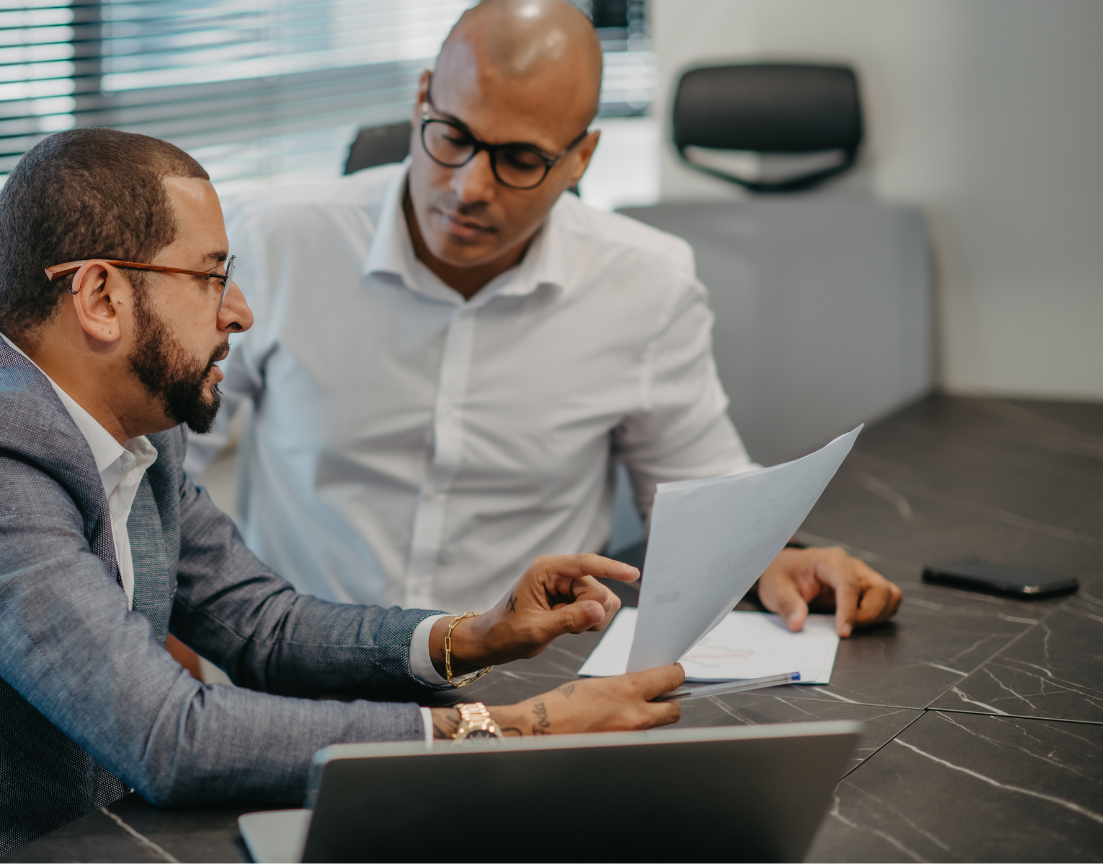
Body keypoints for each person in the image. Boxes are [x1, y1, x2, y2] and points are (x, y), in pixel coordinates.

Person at [0, 128, 686, 863]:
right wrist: (510, 729)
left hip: (74, 834)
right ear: (101, 297)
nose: (240, 311)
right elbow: (169, 736)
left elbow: (260, 624)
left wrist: (468, 639)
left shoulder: (129, 423)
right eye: (211, 277)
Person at [185, 0, 903, 633]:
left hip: (531, 683)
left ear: (580, 158)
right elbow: (163, 464)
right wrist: (170, 631)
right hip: (306, 670)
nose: (470, 187)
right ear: (422, 98)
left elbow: (697, 490)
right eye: (452, 136)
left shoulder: (646, 283)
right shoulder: (275, 242)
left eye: (521, 159)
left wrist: (776, 558)